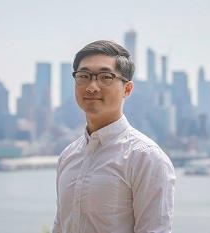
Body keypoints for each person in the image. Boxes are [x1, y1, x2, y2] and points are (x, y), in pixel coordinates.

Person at [52, 40, 176, 233]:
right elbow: (60, 226)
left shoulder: (145, 157)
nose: (92, 87)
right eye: (83, 76)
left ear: (127, 89)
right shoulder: (68, 156)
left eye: (105, 77)